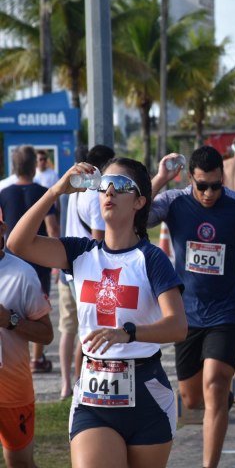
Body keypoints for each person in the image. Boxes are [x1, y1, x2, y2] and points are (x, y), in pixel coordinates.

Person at [7, 157, 187, 467]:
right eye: (103, 186)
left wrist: (129, 333)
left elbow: (177, 326)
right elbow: (17, 243)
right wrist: (55, 191)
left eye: (119, 186)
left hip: (145, 392)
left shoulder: (152, 259)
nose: (108, 193)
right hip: (93, 396)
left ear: (139, 201)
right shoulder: (80, 252)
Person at [149, 146, 235, 468]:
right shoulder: (173, 201)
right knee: (191, 399)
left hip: (226, 310)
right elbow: (135, 216)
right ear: (190, 180)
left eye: (215, 185)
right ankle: (220, 400)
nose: (209, 193)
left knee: (214, 383)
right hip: (185, 313)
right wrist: (159, 178)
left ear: (223, 179)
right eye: (202, 186)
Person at [60, 144, 114, 399]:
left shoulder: (76, 191)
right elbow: (98, 243)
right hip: (86, 272)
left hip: (67, 268)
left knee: (70, 329)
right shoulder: (95, 194)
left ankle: (68, 384)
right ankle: (84, 382)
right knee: (89, 330)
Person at [0, 214, 54, 468]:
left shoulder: (22, 274)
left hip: (13, 389)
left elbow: (46, 334)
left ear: (2, 228)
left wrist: (10, 320)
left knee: (20, 463)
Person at [0, 145, 59, 373]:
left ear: (14, 167)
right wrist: (56, 266)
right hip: (39, 259)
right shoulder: (44, 193)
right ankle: (36, 357)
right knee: (38, 311)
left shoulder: (4, 194)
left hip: (11, 261)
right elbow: (52, 227)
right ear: (34, 167)